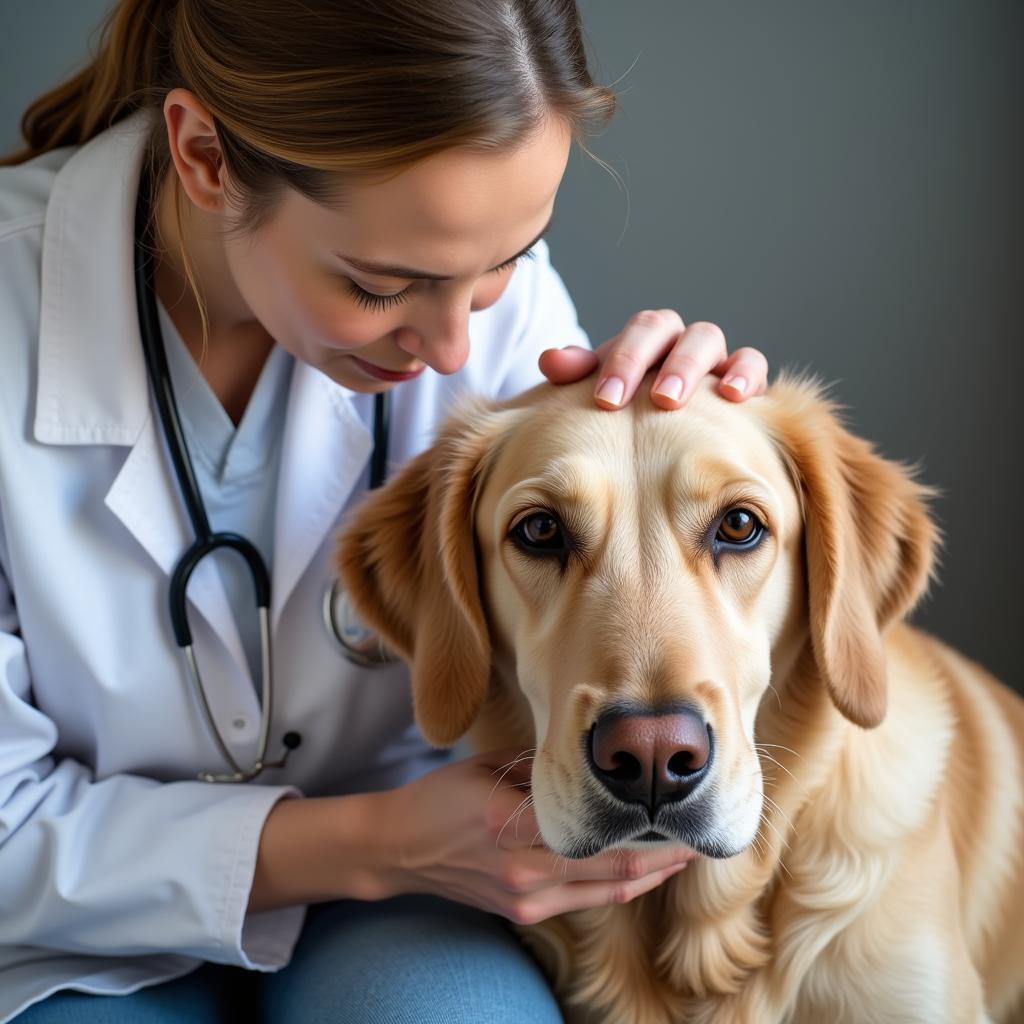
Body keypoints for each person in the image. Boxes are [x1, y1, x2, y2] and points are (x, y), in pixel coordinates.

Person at [0, 1, 769, 1020]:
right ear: (203, 157)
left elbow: (591, 632)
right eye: (382, 283)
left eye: (502, 261)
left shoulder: (497, 320)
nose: (454, 348)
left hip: (417, 900)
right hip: (64, 930)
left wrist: (700, 432)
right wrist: (382, 840)